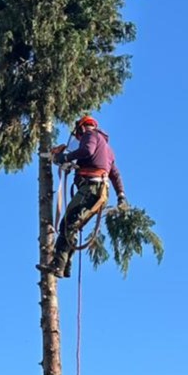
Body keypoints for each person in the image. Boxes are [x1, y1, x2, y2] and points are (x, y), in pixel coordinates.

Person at [47, 116, 127, 278]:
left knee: (68, 222)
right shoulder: (107, 149)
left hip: (91, 188)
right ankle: (65, 266)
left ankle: (58, 264)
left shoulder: (90, 135)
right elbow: (115, 174)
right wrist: (121, 195)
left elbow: (87, 151)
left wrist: (66, 157)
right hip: (99, 192)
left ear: (82, 128)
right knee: (73, 225)